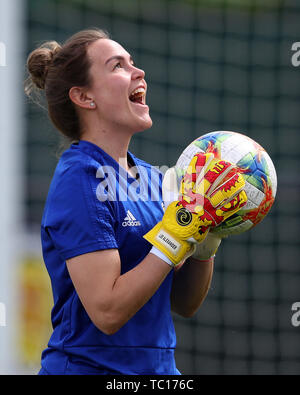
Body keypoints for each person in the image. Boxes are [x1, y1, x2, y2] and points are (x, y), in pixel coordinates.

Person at [25, 28, 247, 375]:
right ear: (84, 97)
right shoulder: (80, 179)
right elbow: (107, 312)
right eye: (118, 66)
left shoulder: (156, 180)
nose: (138, 71)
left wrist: (206, 240)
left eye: (133, 62)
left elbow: (185, 303)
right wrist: (174, 236)